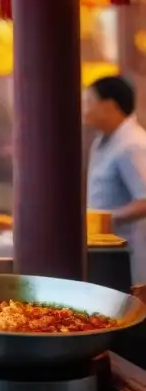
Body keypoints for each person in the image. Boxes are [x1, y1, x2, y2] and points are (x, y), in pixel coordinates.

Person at [84, 75, 146, 283]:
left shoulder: (133, 144)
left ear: (109, 105)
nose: (84, 109)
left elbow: (145, 200)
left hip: (130, 252)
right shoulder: (102, 141)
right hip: (106, 251)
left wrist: (104, 220)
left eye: (89, 102)